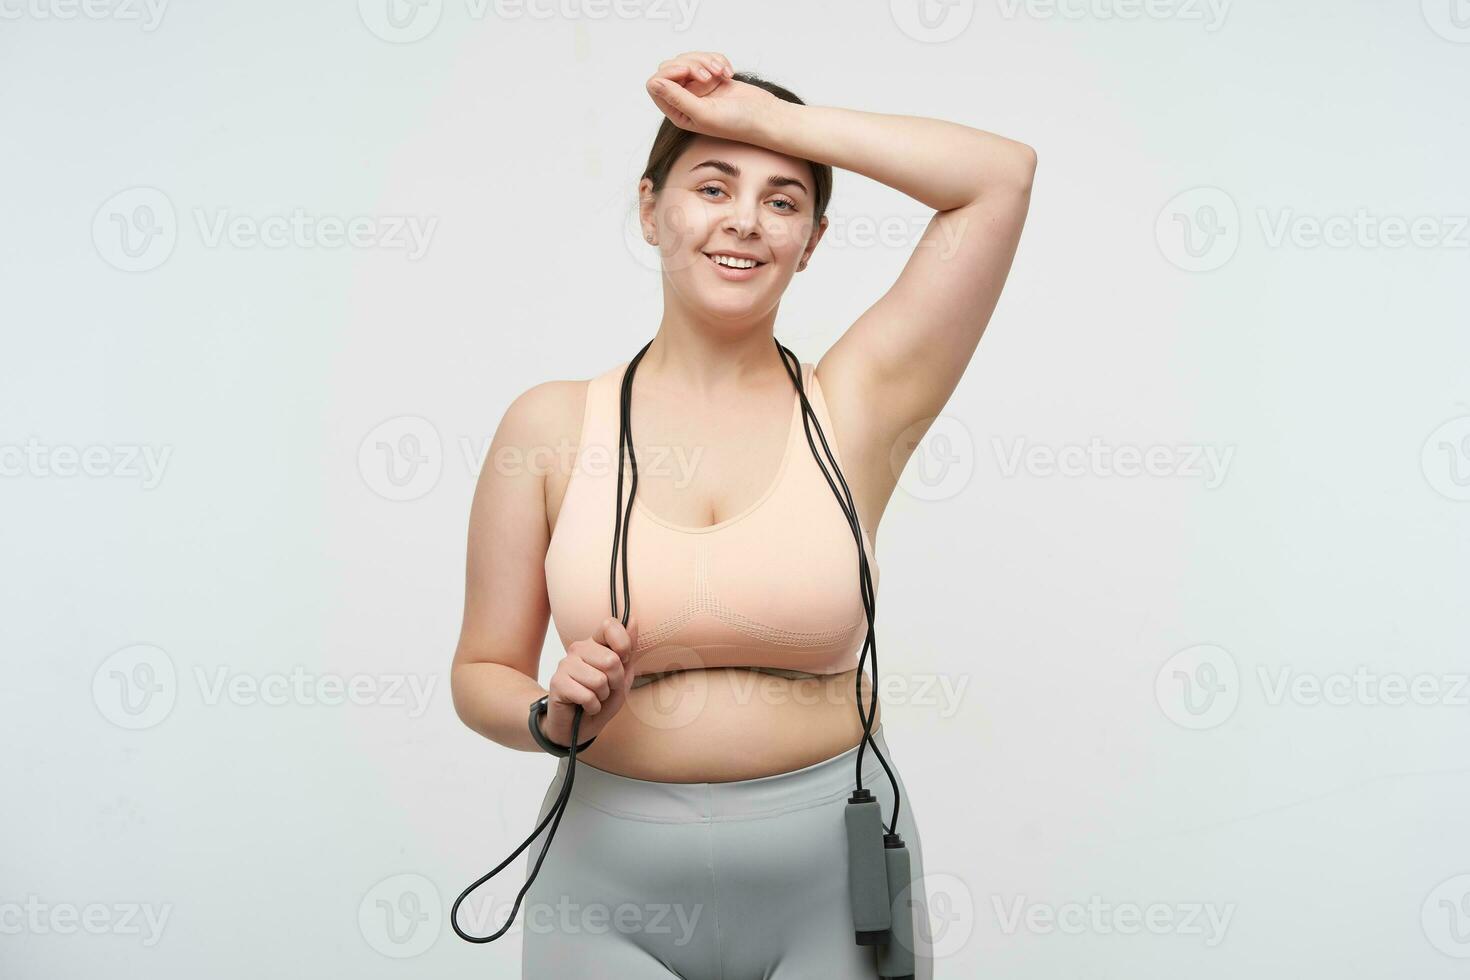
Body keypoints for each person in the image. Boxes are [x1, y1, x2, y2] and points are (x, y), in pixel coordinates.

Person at [450, 50, 1035, 978]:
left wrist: (766, 119)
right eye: (711, 184)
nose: (744, 222)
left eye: (782, 200)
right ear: (650, 209)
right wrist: (545, 714)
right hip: (604, 884)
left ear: (814, 237)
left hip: (832, 882)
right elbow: (481, 668)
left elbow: (998, 178)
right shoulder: (551, 425)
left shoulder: (860, 405)